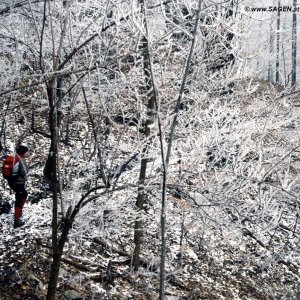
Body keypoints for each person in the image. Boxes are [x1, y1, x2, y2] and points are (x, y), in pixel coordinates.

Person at [7, 145, 30, 228]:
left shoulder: (14, 157)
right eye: (27, 152)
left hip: (12, 182)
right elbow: (24, 172)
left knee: (24, 194)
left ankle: (19, 212)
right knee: (19, 199)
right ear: (23, 152)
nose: (28, 153)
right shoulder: (21, 160)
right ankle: (16, 221)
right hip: (19, 183)